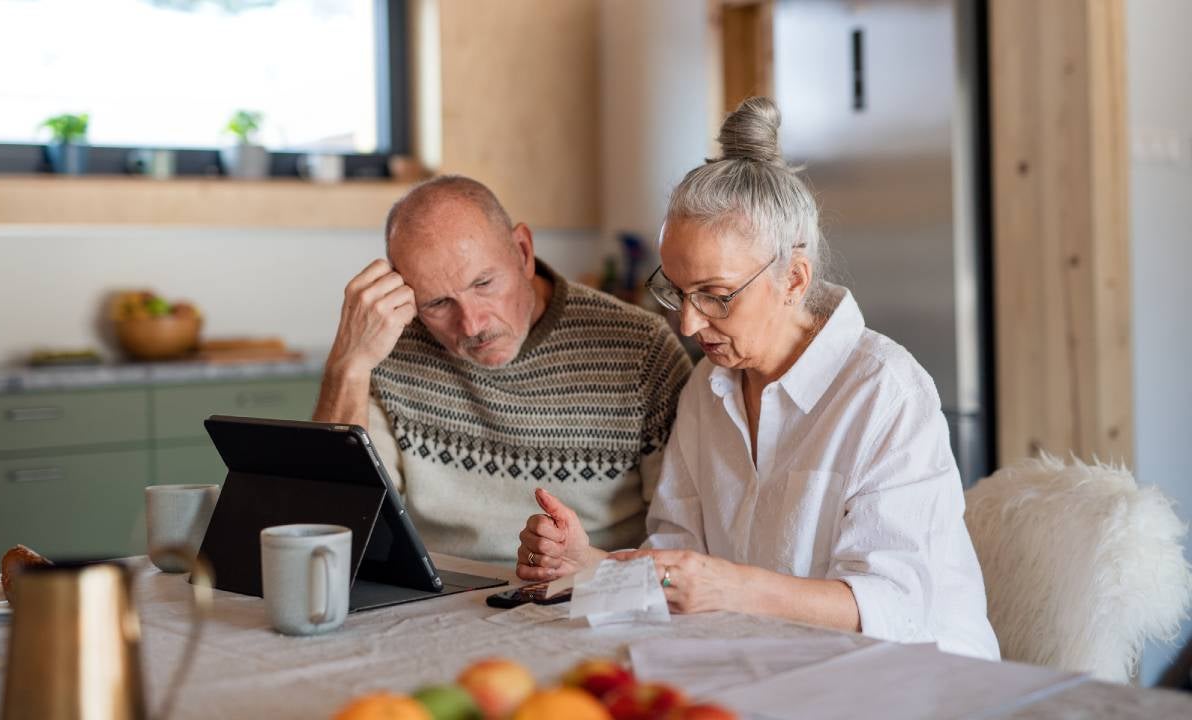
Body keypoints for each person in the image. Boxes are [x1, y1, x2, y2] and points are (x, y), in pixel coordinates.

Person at [516, 98, 1000, 660]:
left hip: (919, 680)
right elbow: (678, 566)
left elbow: (895, 605)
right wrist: (589, 565)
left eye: (716, 297)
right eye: (675, 290)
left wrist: (733, 588)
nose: (690, 323)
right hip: (772, 663)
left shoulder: (885, 393)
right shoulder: (709, 387)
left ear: (793, 279)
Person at [313, 175, 692, 564]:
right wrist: (348, 365)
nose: (472, 325)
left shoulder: (642, 348)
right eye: (438, 303)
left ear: (523, 252)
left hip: (590, 598)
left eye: (484, 283)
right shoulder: (388, 346)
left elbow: (683, 543)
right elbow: (334, 527)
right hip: (436, 602)